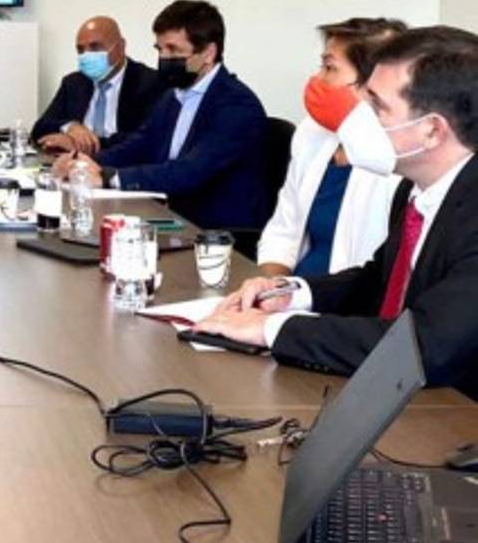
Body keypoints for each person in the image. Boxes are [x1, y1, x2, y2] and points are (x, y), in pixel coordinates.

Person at [196, 26, 478, 398]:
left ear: (432, 130)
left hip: (456, 412)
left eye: (377, 106)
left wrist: (270, 329)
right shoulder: (416, 188)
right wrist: (293, 293)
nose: (359, 116)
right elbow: (377, 280)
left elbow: (425, 345)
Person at [55, 0, 269, 230]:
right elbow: (140, 145)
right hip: (171, 214)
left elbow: (190, 171)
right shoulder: (174, 95)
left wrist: (108, 177)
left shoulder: (236, 105)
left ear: (208, 53)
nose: (164, 58)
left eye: (174, 50)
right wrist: (81, 163)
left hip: (214, 231)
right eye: (160, 50)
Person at [256, 18, 406, 277]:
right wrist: (268, 285)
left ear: (373, 82)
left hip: (346, 294)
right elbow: (284, 229)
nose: (318, 78)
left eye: (330, 67)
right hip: (296, 288)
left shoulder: (399, 154)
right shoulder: (312, 131)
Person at [32, 15, 167, 155]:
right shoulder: (73, 83)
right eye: (80, 50)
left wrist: (80, 144)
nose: (86, 55)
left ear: (121, 47)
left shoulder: (150, 83)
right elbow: (40, 129)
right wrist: (70, 127)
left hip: (122, 165)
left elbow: (143, 140)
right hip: (73, 164)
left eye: (95, 47)